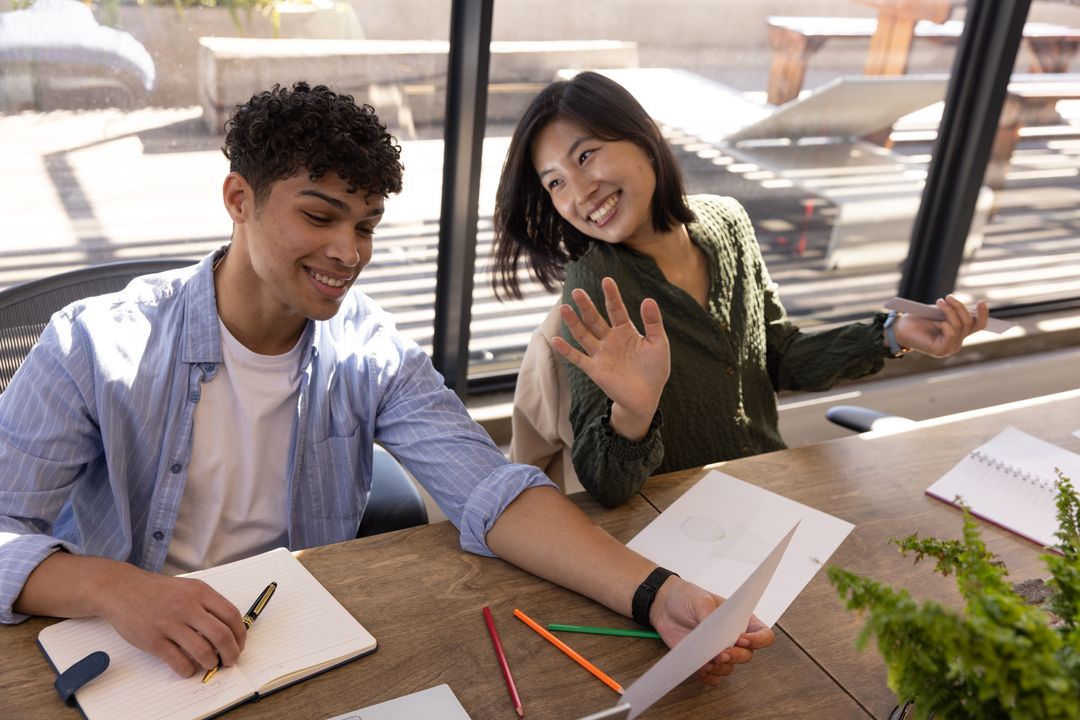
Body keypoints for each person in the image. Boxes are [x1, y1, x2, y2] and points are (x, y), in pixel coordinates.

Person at [0, 81, 771, 684]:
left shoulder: (369, 350)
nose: (348, 252)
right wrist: (117, 590)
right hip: (131, 653)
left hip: (291, 643)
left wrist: (657, 594)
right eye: (320, 216)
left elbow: (490, 492)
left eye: (365, 225)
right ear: (239, 200)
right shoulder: (92, 344)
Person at [492, 71, 989, 508]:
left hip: (774, 491)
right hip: (685, 528)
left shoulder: (728, 220)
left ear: (644, 139)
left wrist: (892, 333)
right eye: (555, 183)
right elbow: (606, 484)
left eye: (586, 156)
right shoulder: (596, 283)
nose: (579, 194)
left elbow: (778, 356)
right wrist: (633, 413)